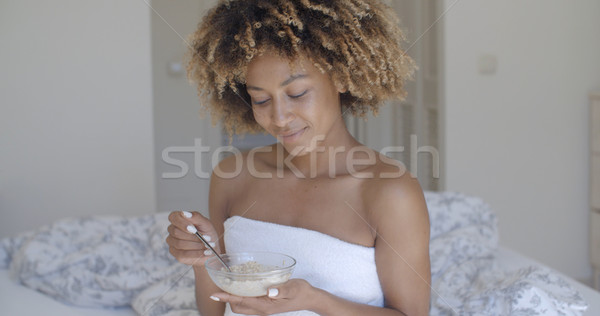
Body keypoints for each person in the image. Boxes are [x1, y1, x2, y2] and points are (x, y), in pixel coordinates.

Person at [166, 0, 431, 315]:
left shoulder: (389, 191)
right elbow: (217, 311)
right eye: (260, 99)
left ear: (341, 77)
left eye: (297, 93)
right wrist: (204, 261)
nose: (279, 117)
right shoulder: (232, 176)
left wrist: (316, 301)